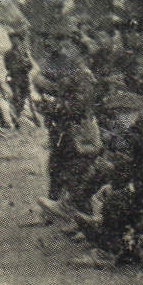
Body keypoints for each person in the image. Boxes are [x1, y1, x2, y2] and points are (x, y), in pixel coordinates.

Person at [71, 90, 143, 264]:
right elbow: (134, 166)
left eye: (125, 112)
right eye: (118, 113)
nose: (120, 118)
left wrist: (128, 184)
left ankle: (107, 251)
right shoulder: (139, 130)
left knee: (117, 200)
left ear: (138, 112)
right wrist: (117, 176)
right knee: (111, 193)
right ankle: (102, 231)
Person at [33, 27, 98, 219]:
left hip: (78, 131)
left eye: (69, 47)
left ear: (79, 52)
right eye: (64, 46)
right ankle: (56, 212)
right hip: (65, 130)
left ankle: (84, 219)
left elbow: (78, 106)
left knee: (77, 175)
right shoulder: (70, 74)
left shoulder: (83, 75)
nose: (64, 50)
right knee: (56, 168)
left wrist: (53, 109)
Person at [3, 31, 34, 127]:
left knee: (23, 98)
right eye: (12, 39)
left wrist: (25, 65)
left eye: (16, 39)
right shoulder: (8, 53)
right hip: (14, 78)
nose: (14, 41)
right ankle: (15, 118)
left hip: (24, 78)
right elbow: (7, 66)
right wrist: (18, 67)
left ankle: (18, 116)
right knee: (16, 97)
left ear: (19, 40)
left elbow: (30, 65)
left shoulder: (24, 52)